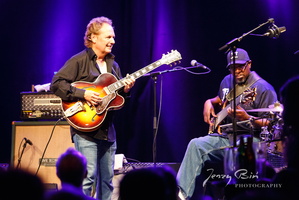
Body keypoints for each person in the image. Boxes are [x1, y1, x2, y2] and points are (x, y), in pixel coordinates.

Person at [50, 16, 135, 200]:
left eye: (113, 37)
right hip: (86, 130)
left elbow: (118, 102)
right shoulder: (79, 60)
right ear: (93, 37)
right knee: (87, 179)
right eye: (108, 37)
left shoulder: (114, 66)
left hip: (108, 130)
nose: (113, 41)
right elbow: (56, 84)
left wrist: (126, 91)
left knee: (107, 182)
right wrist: (83, 94)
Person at [177, 48, 278, 200]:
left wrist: (247, 117)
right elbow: (220, 100)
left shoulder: (264, 89)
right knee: (195, 144)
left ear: (249, 64)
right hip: (226, 136)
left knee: (239, 155)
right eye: (232, 67)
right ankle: (181, 195)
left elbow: (271, 124)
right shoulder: (226, 81)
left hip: (252, 141)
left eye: (240, 66)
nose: (236, 71)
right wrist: (208, 102)